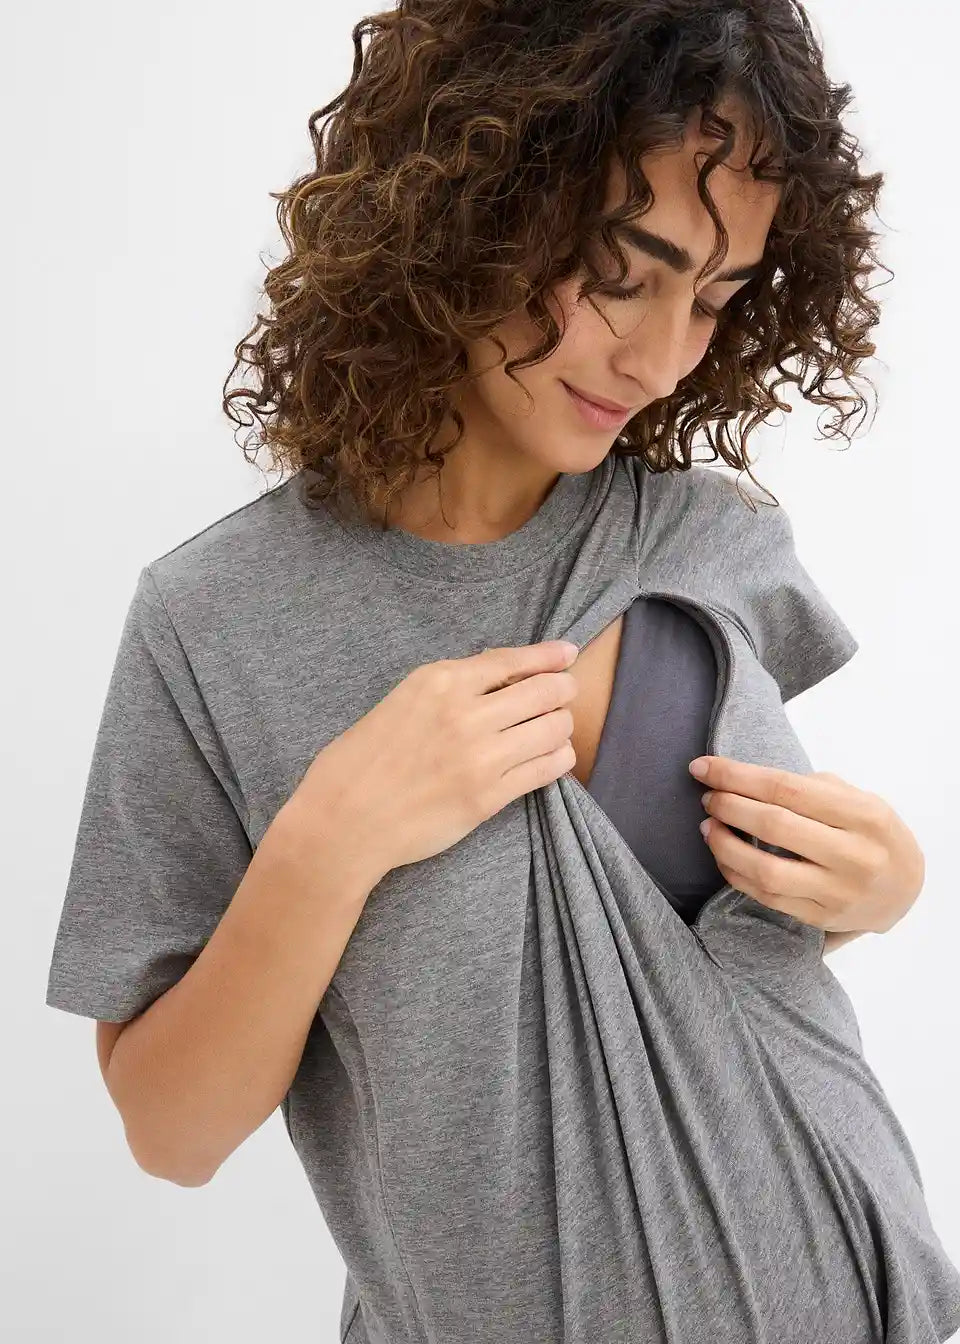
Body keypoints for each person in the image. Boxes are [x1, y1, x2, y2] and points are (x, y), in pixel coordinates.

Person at [46, 3, 960, 1341]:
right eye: (623, 272)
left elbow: (703, 975)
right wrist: (329, 841)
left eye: (714, 299)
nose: (661, 359)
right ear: (474, 207)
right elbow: (169, 1136)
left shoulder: (711, 542)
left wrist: (883, 890)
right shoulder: (217, 622)